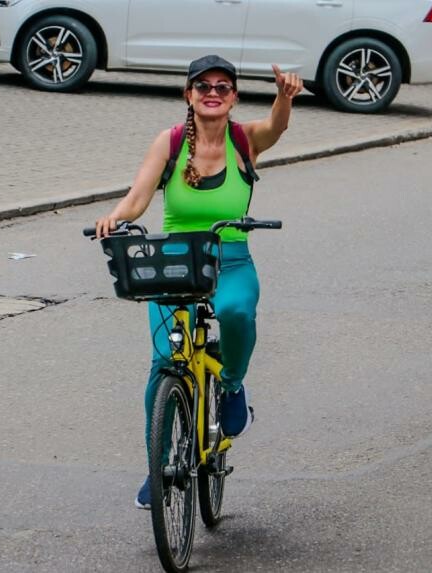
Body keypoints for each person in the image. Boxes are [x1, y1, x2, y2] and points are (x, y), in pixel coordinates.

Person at [94, 54, 302, 509]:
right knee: (165, 360)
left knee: (234, 312)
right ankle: (159, 463)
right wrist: (115, 217)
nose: (212, 92)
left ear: (233, 97)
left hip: (231, 261)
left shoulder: (244, 141)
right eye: (203, 86)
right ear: (188, 95)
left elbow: (276, 127)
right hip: (176, 265)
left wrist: (284, 99)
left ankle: (230, 384)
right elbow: (138, 197)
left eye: (222, 86)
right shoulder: (169, 143)